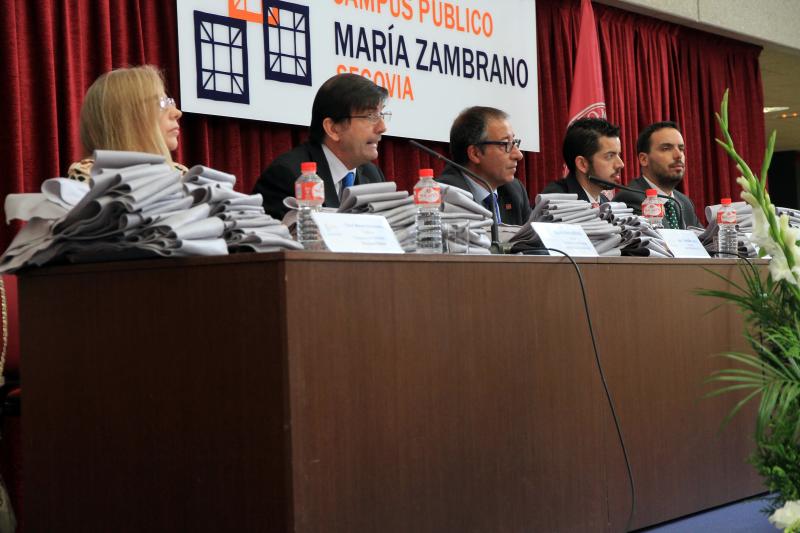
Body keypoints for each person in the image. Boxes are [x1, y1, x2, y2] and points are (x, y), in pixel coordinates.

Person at [254, 73, 388, 220]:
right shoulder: (288, 175)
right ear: (333, 129)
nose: (382, 127)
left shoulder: (373, 175)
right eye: (370, 116)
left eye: (381, 114)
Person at [68, 65, 186, 182]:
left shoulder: (182, 173)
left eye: (170, 102)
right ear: (122, 118)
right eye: (160, 103)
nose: (177, 113)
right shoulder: (91, 174)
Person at [436, 106, 530, 225]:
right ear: (475, 153)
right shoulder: (444, 197)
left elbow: (530, 242)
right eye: (506, 144)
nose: (518, 155)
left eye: (514, 143)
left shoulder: (515, 191)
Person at [612, 121, 702, 228]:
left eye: (681, 149)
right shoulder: (630, 199)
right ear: (644, 159)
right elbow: (661, 242)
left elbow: (702, 242)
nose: (678, 155)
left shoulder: (684, 202)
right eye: (666, 148)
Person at [541, 117, 624, 207]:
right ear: (582, 164)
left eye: (618, 155)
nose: (621, 164)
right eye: (609, 156)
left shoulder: (604, 201)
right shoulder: (557, 201)